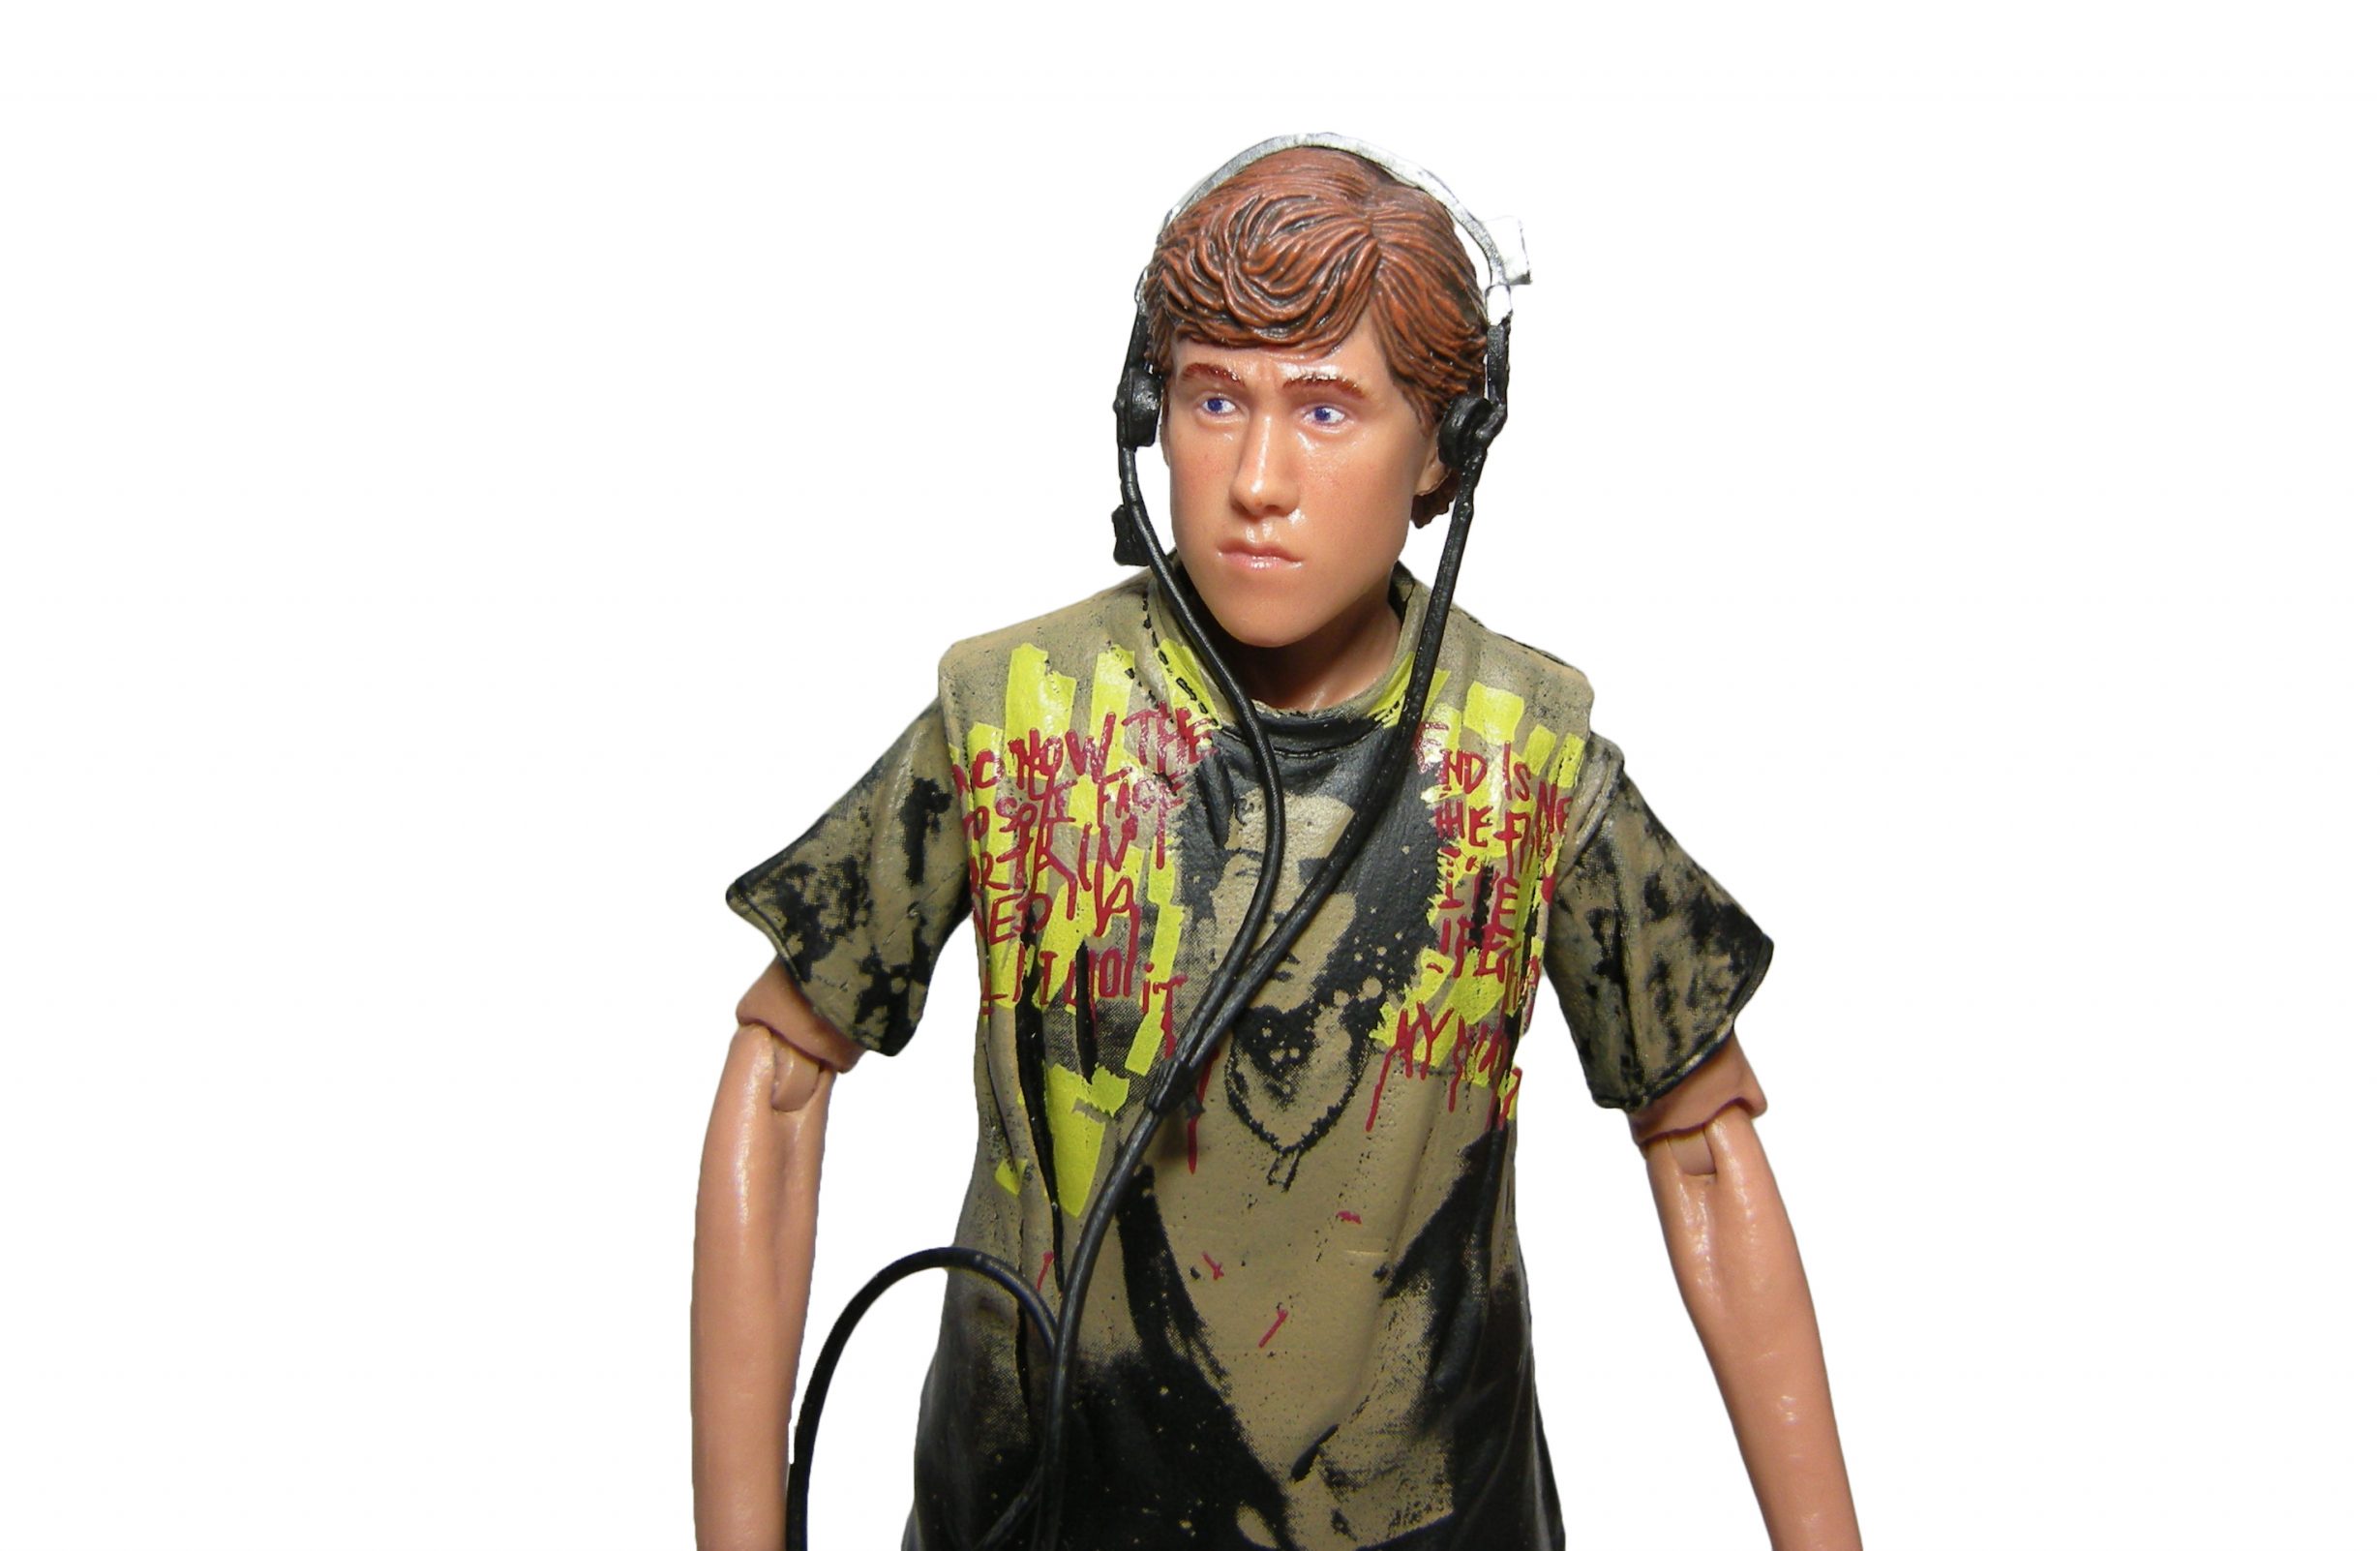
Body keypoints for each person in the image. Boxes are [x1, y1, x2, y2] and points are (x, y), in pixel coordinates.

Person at [693, 143, 1860, 1551]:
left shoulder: (1526, 757)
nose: (1257, 477)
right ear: (1148, 413)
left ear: (1445, 445)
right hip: (1044, 1505)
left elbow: (1706, 1153)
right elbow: (778, 1075)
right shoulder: (1013, 715)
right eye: (1212, 398)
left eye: (1324, 407)